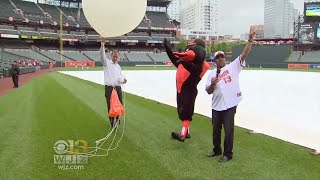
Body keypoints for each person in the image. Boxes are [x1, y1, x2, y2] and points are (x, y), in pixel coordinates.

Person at [206, 27, 256, 162]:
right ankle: (217, 149)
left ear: (225, 58)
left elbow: (244, 54)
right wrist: (212, 84)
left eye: (222, 56)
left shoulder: (233, 67)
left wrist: (250, 40)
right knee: (216, 131)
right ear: (214, 60)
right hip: (216, 106)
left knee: (229, 131)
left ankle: (228, 154)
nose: (220, 59)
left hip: (229, 105)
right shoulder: (211, 74)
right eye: (218, 57)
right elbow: (208, 91)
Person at [164, 38, 210, 142]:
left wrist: (184, 62)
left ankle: (183, 134)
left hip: (189, 90)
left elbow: (194, 69)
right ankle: (187, 132)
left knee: (186, 113)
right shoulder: (184, 61)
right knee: (182, 110)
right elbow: (175, 59)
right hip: (182, 89)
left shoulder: (200, 66)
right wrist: (168, 50)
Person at [100, 38, 127, 128]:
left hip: (118, 87)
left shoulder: (118, 66)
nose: (115, 58)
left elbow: (119, 78)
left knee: (119, 104)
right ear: (111, 56)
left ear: (118, 57)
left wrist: (123, 80)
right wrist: (102, 45)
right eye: (114, 56)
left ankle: (117, 119)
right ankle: (112, 122)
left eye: (116, 57)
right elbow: (102, 55)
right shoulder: (106, 63)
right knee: (110, 105)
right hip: (109, 88)